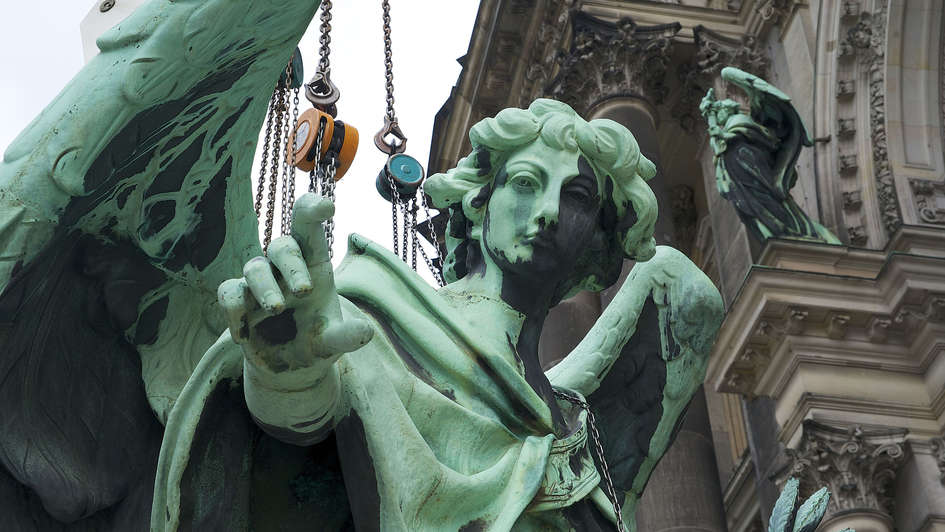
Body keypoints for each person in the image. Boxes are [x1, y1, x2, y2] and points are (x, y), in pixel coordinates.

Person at [160, 99, 719, 531]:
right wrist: (284, 370)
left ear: (599, 239)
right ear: (479, 202)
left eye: (576, 198)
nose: (548, 213)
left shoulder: (578, 424)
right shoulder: (380, 315)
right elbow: (320, 409)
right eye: (525, 183)